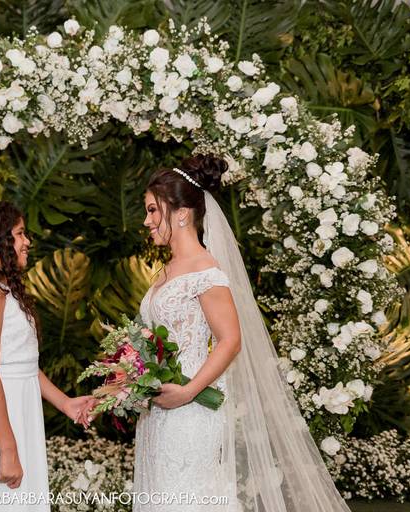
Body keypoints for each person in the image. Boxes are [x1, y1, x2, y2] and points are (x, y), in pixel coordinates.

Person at [132, 155, 351, 511]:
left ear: (182, 213)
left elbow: (230, 340)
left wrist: (187, 391)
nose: (147, 221)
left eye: (153, 210)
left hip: (190, 409)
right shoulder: (169, 268)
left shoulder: (205, 270)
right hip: (159, 410)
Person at [0, 199, 93, 512]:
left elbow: (23, 364)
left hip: (19, 412)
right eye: (21, 233)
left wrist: (65, 403)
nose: (28, 242)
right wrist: (7, 447)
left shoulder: (4, 290)